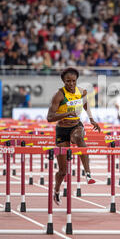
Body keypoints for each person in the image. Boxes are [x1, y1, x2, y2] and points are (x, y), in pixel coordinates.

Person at [47, 67, 101, 205]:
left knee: (79, 138)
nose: (71, 84)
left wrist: (91, 119)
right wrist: (66, 113)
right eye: (68, 81)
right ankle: (57, 190)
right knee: (62, 170)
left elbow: (85, 105)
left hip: (76, 125)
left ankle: (88, 174)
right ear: (63, 81)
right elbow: (49, 117)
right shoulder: (58, 95)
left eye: (73, 81)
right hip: (62, 130)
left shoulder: (81, 92)